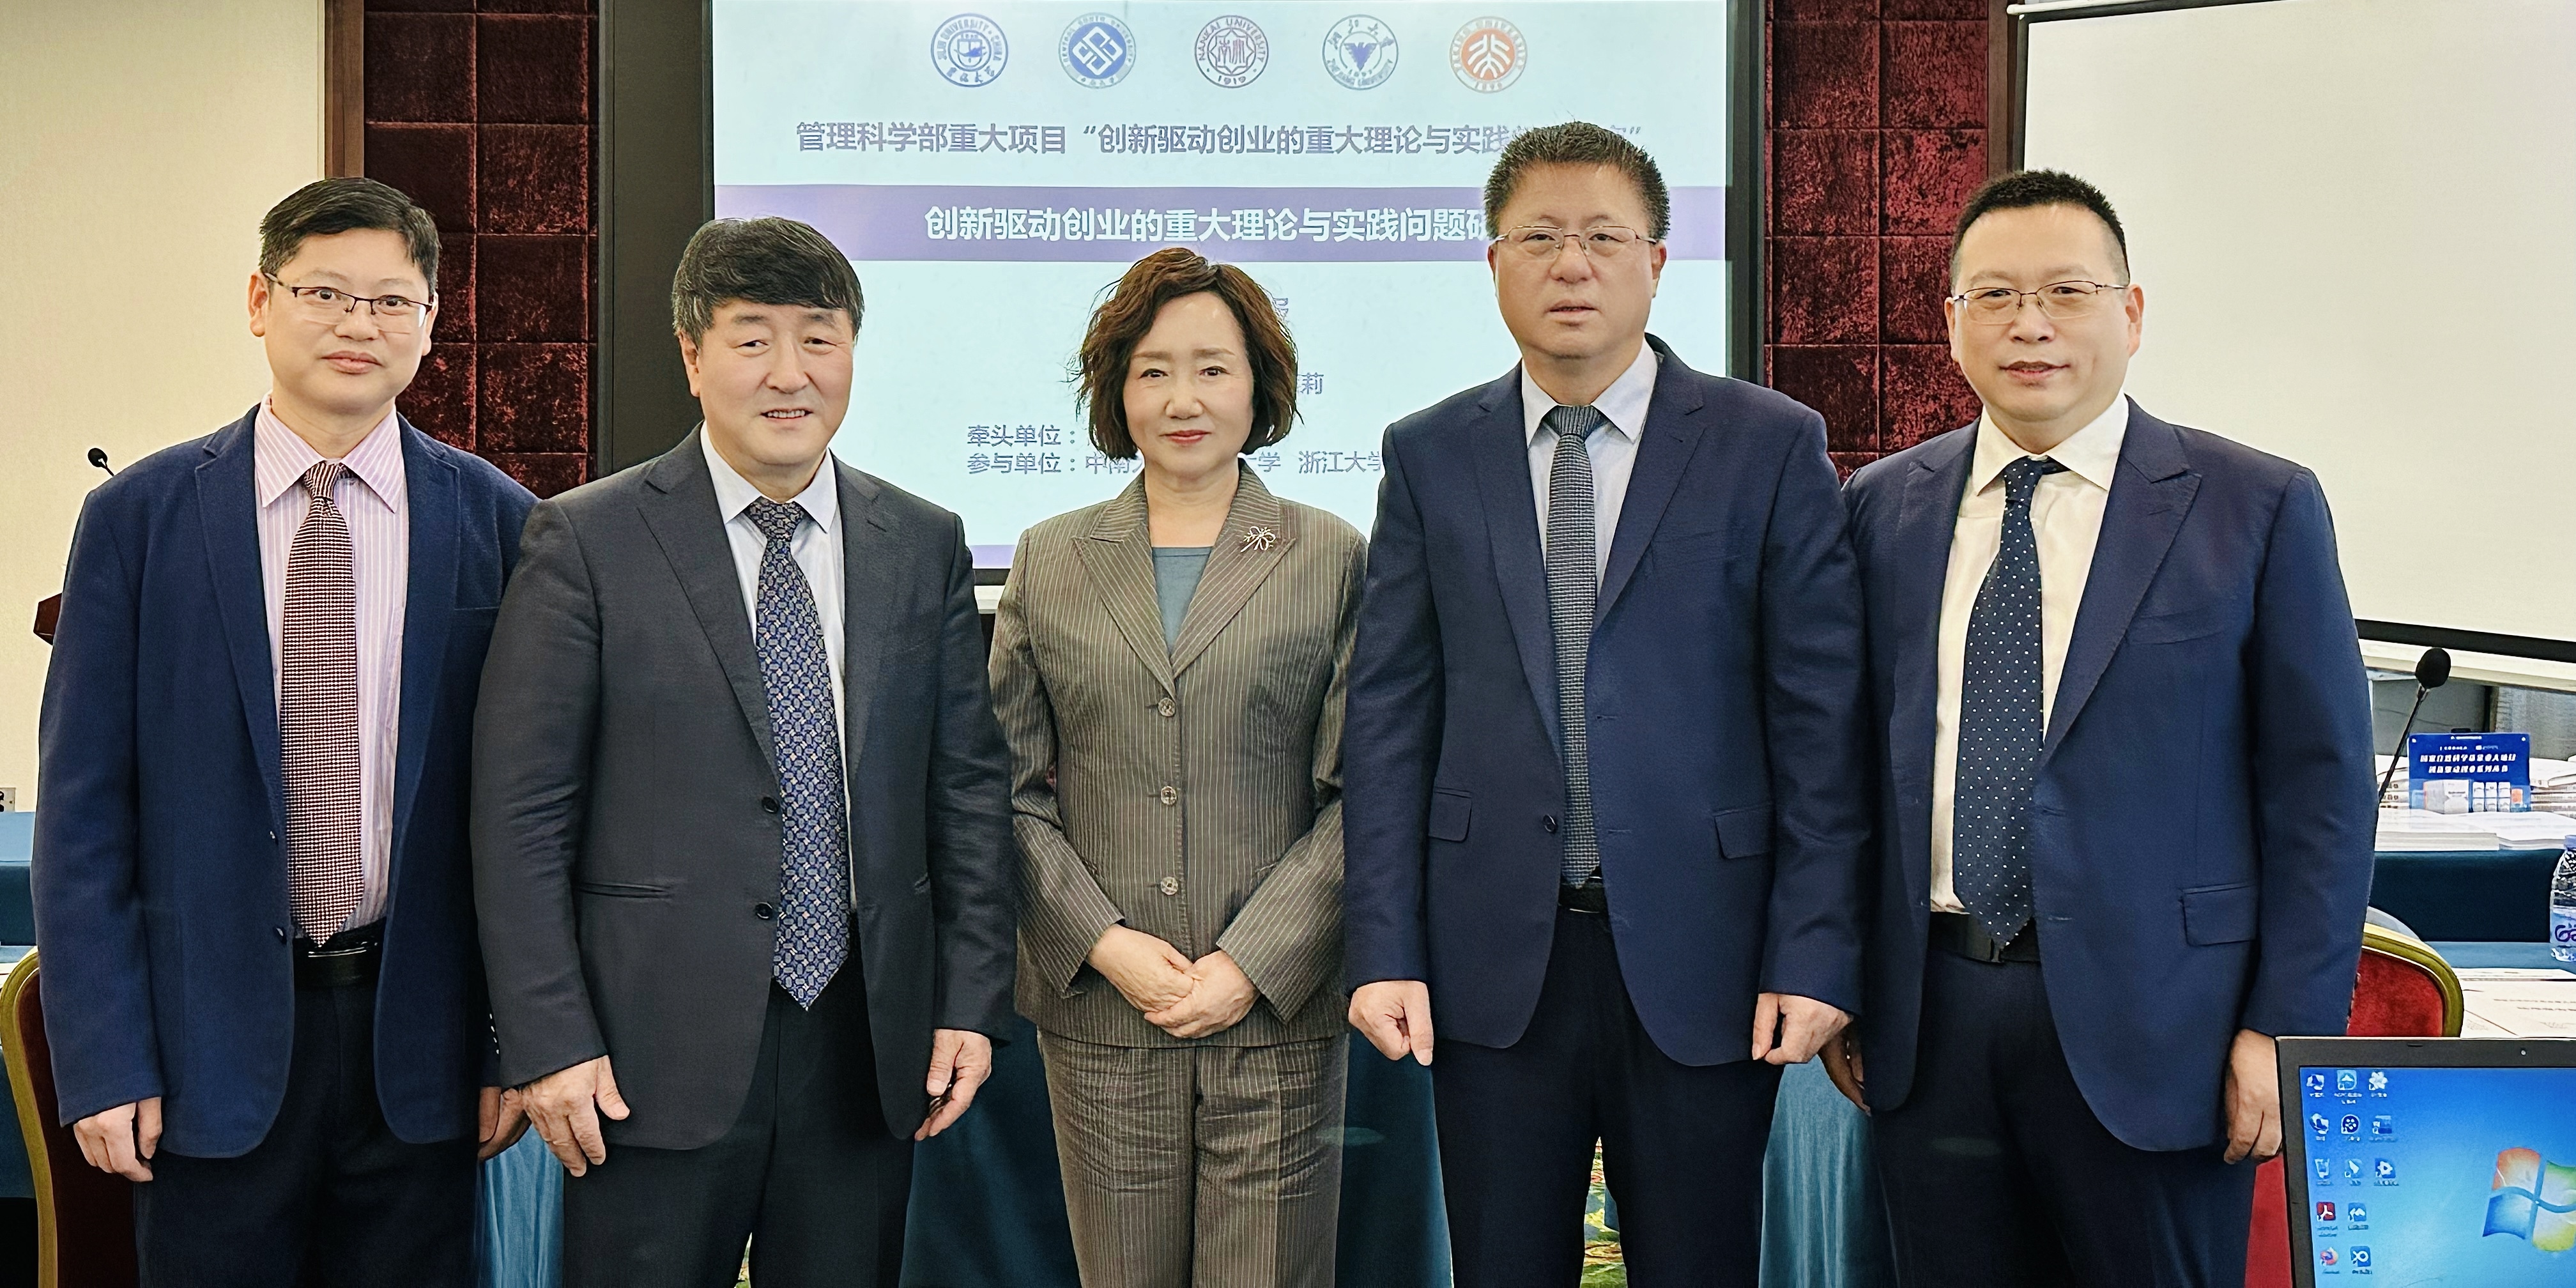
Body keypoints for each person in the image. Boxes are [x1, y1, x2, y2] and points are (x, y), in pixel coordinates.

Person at [1826, 169, 2377, 1288]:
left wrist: (2284, 1030)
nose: (2030, 324)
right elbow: (1843, 771)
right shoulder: (1882, 507)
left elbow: (2320, 797)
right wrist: (1839, 974)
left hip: (2169, 1029)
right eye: (1994, 295)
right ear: (1952, 322)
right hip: (1932, 1016)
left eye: (2066, 292)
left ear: (2130, 313)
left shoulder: (2254, 506)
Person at [1342, 121, 1869, 1288]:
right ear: (1494, 263)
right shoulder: (1430, 453)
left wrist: (1816, 947)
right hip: (1493, 957)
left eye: (1602, 237)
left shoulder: (1767, 444)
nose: (1570, 264)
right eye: (1538, 238)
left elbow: (1821, 724)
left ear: (1658, 261)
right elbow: (1388, 720)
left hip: (1709, 953)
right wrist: (1383, 946)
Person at [473, 215, 1016, 1288]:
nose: (789, 373)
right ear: (692, 354)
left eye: (819, 338)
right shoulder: (586, 539)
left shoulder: (923, 542)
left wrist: (968, 1002)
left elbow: (966, 794)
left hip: (864, 1041)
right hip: (642, 1050)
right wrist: (548, 1037)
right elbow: (520, 813)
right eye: (752, 338)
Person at [34, 177, 533, 1286]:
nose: (359, 324)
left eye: (391, 302)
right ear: (260, 302)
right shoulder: (139, 520)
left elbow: (528, 818)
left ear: (430, 324)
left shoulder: (500, 522)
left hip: (421, 1051)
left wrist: (512, 1042)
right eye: (325, 293)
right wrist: (107, 1061)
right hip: (202, 1052)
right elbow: (81, 820)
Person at [989, 248, 1365, 1288]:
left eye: (1212, 369)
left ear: (1260, 386)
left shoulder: (1331, 554)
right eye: (1152, 371)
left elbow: (1361, 793)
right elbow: (1005, 789)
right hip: (1104, 1012)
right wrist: (1106, 944)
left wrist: (1250, 962)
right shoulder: (1049, 557)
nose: (1182, 399)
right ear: (1117, 391)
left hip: (1276, 1013)